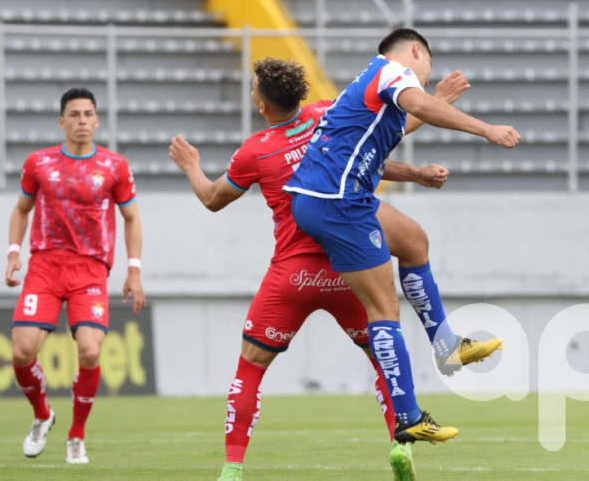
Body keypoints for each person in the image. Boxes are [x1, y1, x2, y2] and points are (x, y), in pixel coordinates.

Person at [169, 58, 479, 481]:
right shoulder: (325, 116)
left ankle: (232, 468)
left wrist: (189, 164)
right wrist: (418, 168)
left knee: (251, 366)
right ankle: (400, 443)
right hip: (346, 266)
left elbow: (212, 198)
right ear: (301, 94)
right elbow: (369, 149)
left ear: (261, 105)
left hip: (292, 275)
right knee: (382, 353)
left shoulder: (254, 151)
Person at [284, 27, 520, 444]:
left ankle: (447, 345)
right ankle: (408, 416)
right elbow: (420, 106)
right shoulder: (394, 72)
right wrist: (486, 129)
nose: (425, 80)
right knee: (384, 308)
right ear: (416, 51)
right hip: (338, 201)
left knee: (414, 240)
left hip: (331, 195)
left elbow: (379, 141)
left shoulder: (371, 85)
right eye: (426, 70)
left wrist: (417, 170)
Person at [5, 88, 146, 465]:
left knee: (89, 350)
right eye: (75, 114)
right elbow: (21, 209)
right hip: (46, 266)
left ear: (97, 120)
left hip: (90, 270)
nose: (82, 120)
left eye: (88, 114)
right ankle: (41, 415)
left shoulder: (115, 166)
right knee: (21, 351)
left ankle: (76, 436)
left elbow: (131, 218)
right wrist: (14, 253)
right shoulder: (39, 162)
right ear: (62, 121)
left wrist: (134, 271)